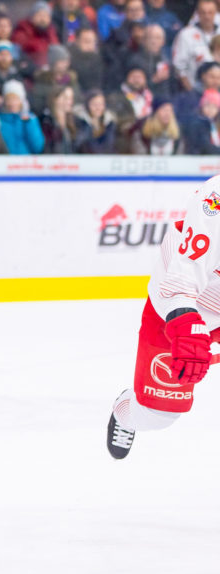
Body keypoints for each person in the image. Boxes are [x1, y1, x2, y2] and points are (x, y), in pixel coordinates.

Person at [106, 173, 220, 459]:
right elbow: (186, 269)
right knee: (157, 414)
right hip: (184, 312)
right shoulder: (216, 196)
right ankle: (125, 411)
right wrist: (184, 319)